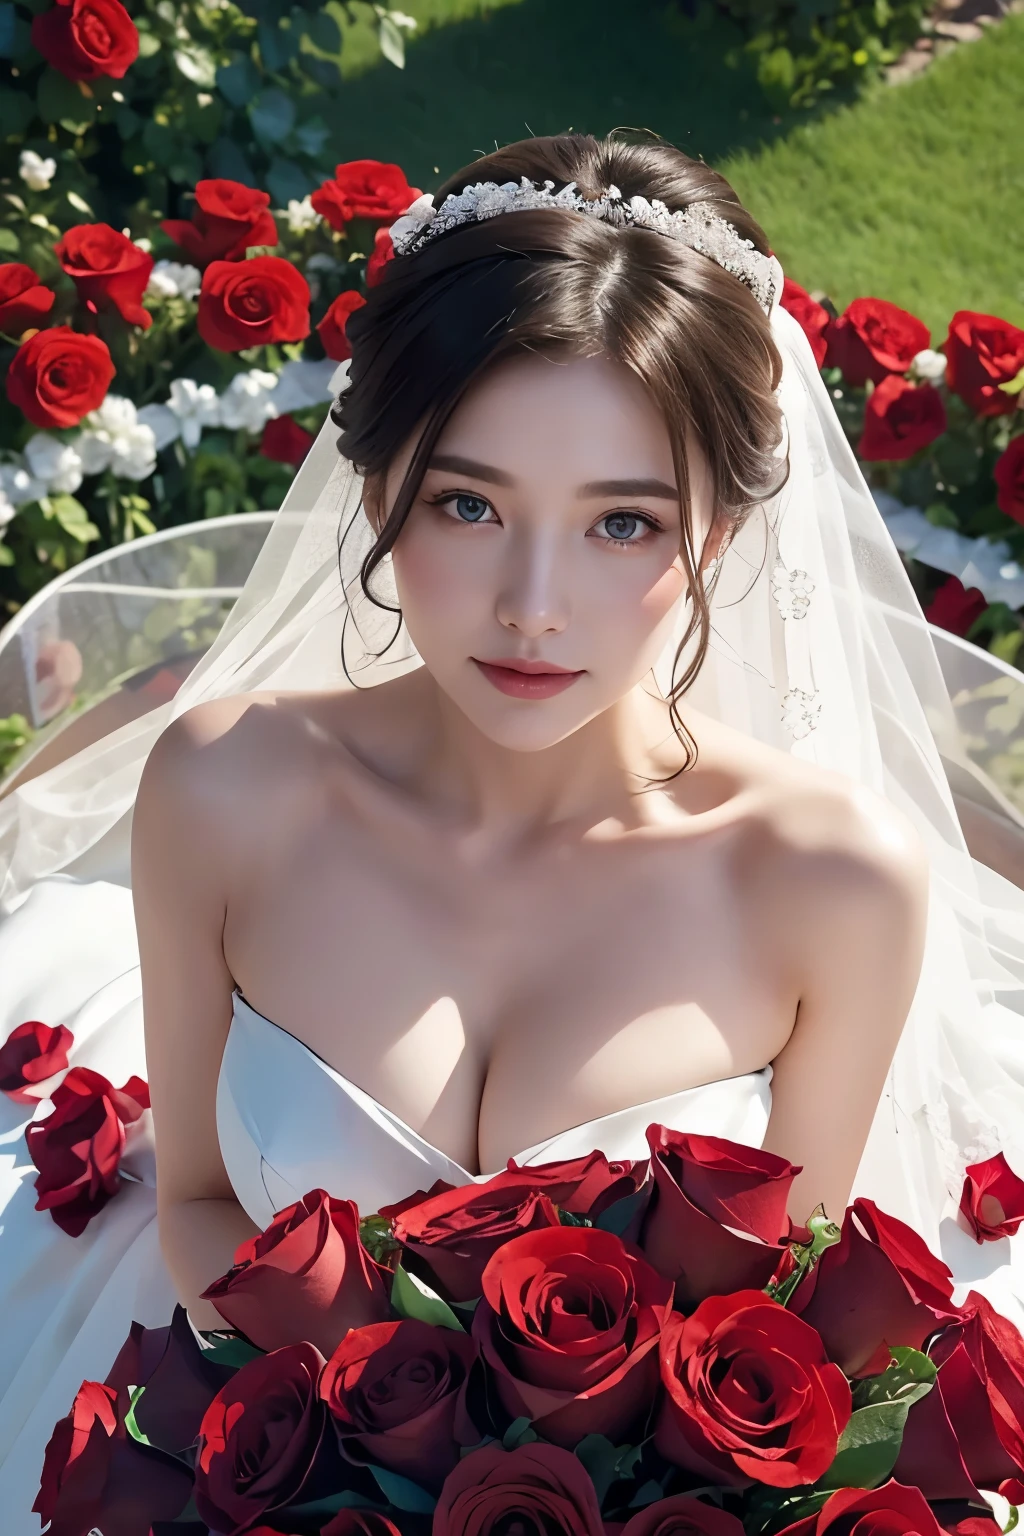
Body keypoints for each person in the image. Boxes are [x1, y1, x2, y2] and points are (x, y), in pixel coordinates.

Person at [0, 131, 1022, 1528]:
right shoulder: (224, 791)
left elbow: (775, 1333)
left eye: (623, 525)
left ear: (719, 535)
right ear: (376, 493)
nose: (533, 604)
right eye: (468, 503)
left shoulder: (832, 884)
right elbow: (189, 1201)